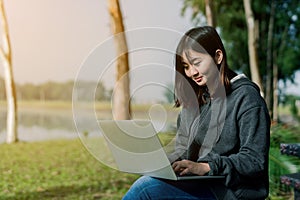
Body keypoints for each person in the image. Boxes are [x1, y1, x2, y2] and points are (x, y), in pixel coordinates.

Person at [122, 26, 270, 200]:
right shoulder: (197, 100)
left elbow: (254, 160)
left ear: (218, 56)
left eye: (197, 63)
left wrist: (207, 167)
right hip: (203, 185)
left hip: (232, 193)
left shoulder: (247, 98)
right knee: (148, 181)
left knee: (145, 189)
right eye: (186, 66)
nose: (192, 73)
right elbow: (184, 151)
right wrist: (160, 162)